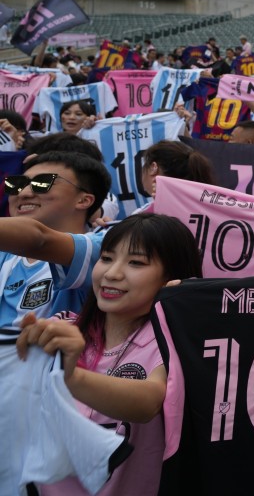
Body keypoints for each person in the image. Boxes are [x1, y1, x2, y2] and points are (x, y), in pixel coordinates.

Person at [16, 213, 202, 496]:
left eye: (136, 263)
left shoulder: (174, 343)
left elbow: (148, 401)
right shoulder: (58, 330)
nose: (112, 273)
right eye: (106, 258)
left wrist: (70, 376)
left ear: (172, 278)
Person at [0, 151, 111, 328]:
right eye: (17, 184)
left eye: (42, 182)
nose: (24, 194)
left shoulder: (106, 247)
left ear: (84, 200)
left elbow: (39, 239)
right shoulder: (4, 255)